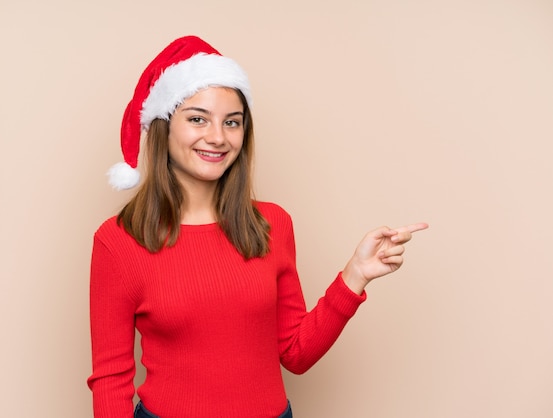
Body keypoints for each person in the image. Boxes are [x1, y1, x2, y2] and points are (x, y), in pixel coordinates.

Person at [87, 35, 428, 418]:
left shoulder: (272, 225)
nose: (217, 137)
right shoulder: (118, 240)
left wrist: (354, 276)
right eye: (198, 118)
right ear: (164, 127)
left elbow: (295, 354)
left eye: (232, 122)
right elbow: (111, 380)